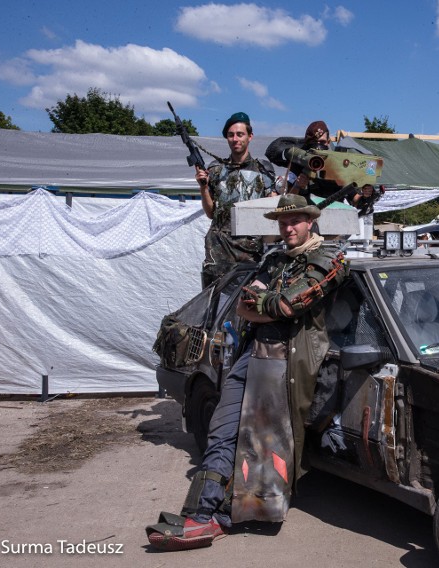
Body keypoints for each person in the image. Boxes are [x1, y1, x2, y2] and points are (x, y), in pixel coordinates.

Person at [146, 193, 348, 551]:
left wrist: (268, 304)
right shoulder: (276, 259)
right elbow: (246, 304)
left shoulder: (330, 257)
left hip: (288, 361)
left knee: (264, 445)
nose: (288, 228)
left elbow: (289, 304)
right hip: (252, 353)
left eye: (295, 221)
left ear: (311, 221)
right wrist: (267, 307)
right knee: (222, 433)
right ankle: (199, 512)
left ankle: (230, 516)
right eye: (283, 222)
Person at [197, 112, 277, 289]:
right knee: (214, 307)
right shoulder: (216, 170)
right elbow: (211, 214)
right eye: (231, 135)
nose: (235, 139)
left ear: (250, 136)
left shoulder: (263, 169)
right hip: (218, 254)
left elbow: (274, 210)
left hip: (250, 254)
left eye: (240, 134)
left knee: (248, 306)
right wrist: (203, 187)